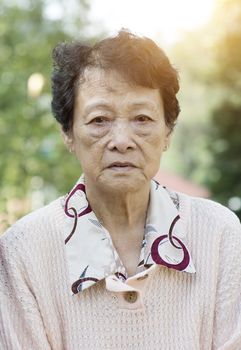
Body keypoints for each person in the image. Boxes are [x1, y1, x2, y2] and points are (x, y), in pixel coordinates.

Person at [0, 30, 240, 350]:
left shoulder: (220, 234)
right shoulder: (23, 251)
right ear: (68, 133)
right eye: (100, 120)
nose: (122, 140)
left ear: (168, 131)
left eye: (142, 118)